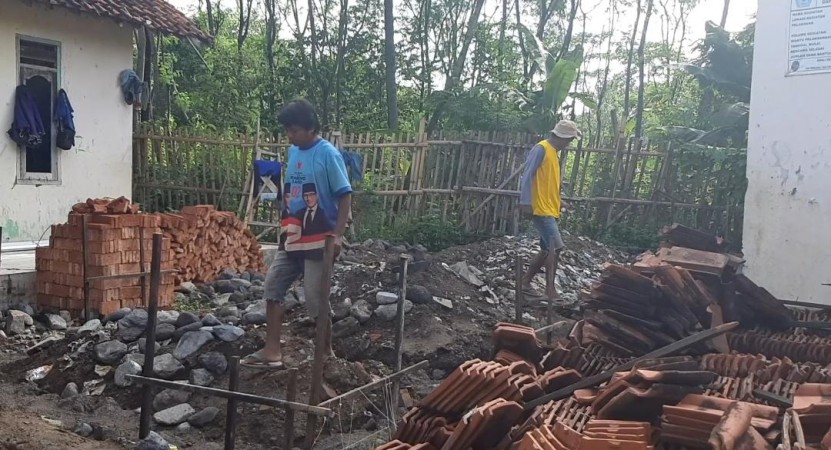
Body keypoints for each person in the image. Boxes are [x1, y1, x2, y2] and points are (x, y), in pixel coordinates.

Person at [242, 99, 352, 369]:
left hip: (320, 237)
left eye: (294, 131)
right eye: (288, 131)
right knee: (273, 285)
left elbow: (345, 195)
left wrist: (337, 235)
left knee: (315, 297)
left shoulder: (328, 154)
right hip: (292, 235)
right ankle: (272, 350)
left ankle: (326, 353)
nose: (290, 136)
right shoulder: (294, 152)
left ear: (310, 127)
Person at [518, 119, 582, 301]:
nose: (568, 145)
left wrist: (560, 202)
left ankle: (525, 282)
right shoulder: (541, 149)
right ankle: (550, 290)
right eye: (569, 141)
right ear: (562, 137)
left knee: (547, 248)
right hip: (540, 209)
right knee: (556, 247)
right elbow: (527, 176)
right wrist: (525, 201)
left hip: (548, 207)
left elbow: (547, 185)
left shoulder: (552, 153)